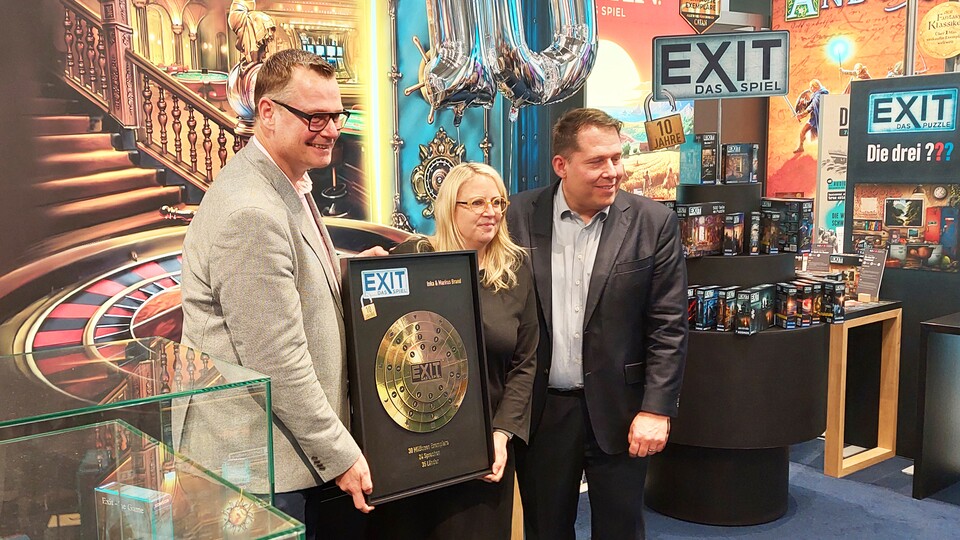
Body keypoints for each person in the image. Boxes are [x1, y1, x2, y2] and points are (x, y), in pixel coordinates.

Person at [179, 48, 387, 539]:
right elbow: (277, 360)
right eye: (315, 117)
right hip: (256, 468)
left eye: (337, 116)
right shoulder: (251, 211)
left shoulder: (281, 182)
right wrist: (340, 452)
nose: (331, 130)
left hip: (278, 460)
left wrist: (347, 272)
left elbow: (285, 283)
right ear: (268, 112)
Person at [507, 107, 688, 539]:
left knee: (621, 529)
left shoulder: (653, 223)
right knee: (545, 530)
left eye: (617, 158)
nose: (613, 171)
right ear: (561, 165)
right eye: (597, 161)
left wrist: (656, 408)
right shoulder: (517, 216)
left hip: (622, 411)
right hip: (543, 413)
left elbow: (668, 326)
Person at [369, 162, 538, 539]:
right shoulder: (413, 255)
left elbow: (525, 364)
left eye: (498, 202)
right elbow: (376, 339)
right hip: (412, 449)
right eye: (477, 202)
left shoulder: (515, 269)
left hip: (481, 452)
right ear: (450, 206)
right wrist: (360, 275)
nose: (491, 211)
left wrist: (501, 435)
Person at [794, 79, 828, 154]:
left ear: (815, 87)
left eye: (811, 87)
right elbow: (811, 103)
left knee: (805, 132)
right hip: (815, 118)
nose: (810, 89)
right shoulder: (817, 94)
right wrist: (804, 103)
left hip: (818, 119)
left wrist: (802, 115)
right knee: (804, 132)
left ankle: (822, 151)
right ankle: (801, 147)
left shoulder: (819, 95)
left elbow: (812, 106)